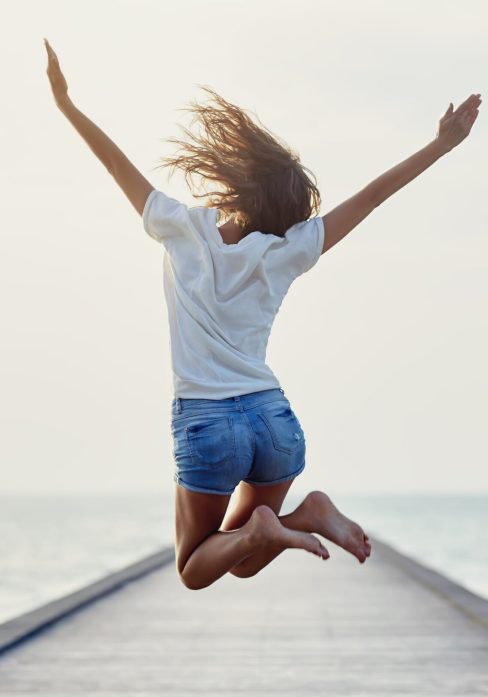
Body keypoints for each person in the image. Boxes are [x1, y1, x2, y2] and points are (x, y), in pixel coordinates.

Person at [44, 38, 481, 590]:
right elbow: (372, 197)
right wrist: (441, 146)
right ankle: (304, 516)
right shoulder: (286, 252)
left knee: (195, 568)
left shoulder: (181, 227)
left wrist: (66, 105)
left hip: (208, 421)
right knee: (243, 556)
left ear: (239, 185)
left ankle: (279, 527)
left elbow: (113, 163)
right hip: (274, 422)